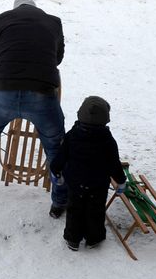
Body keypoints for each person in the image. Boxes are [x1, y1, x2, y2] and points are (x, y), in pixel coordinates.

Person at [0, 0, 65, 214]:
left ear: (15, 8)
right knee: (55, 144)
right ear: (36, 8)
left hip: (3, 89)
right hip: (42, 91)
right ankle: (59, 201)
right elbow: (58, 57)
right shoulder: (53, 22)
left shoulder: (0, 20)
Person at [50, 96, 124, 251]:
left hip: (75, 182)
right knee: (95, 211)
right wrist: (121, 180)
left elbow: (61, 155)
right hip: (98, 184)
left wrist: (56, 170)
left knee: (74, 210)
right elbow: (114, 163)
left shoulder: (72, 135)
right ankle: (93, 238)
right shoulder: (108, 140)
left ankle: (73, 239)